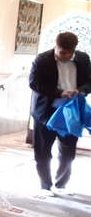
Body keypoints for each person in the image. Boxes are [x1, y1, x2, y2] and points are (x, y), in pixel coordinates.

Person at [29, 31, 91, 197]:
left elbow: (89, 81)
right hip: (46, 112)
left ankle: (61, 184)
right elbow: (34, 83)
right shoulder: (42, 60)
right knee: (43, 151)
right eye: (63, 52)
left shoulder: (83, 59)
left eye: (70, 52)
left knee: (68, 152)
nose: (67, 56)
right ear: (55, 46)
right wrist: (59, 93)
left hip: (71, 113)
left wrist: (81, 90)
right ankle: (45, 186)